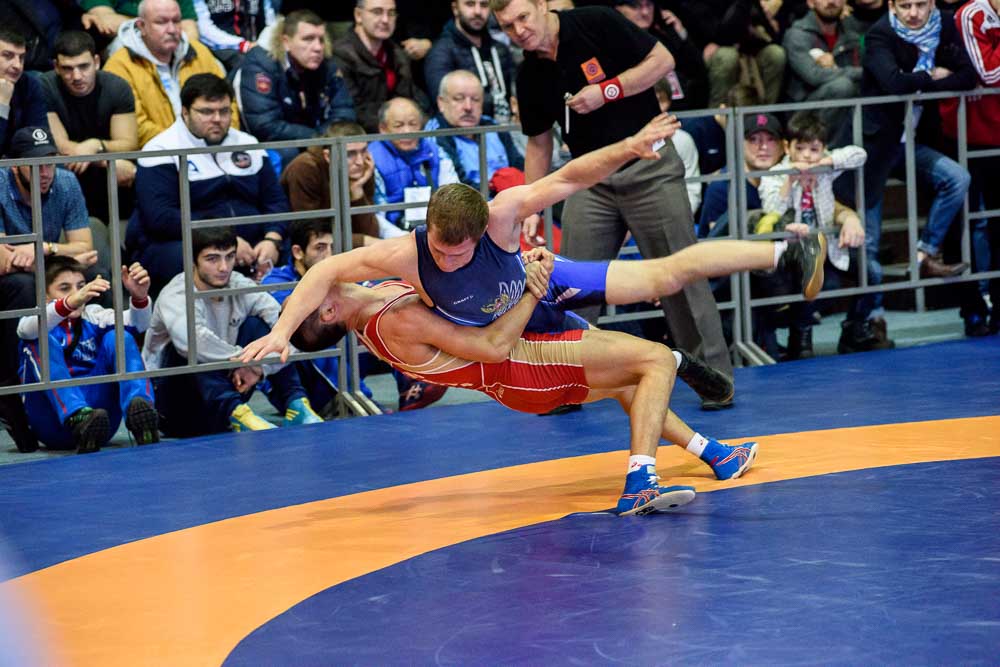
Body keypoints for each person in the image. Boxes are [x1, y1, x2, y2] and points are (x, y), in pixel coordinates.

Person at [239, 115, 829, 412]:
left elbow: (569, 177)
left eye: (458, 251)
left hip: (542, 283)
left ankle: (785, 251)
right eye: (439, 249)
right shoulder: (405, 254)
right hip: (514, 325)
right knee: (604, 375)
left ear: (482, 230)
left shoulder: (502, 214)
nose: (446, 258)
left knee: (663, 274)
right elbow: (323, 270)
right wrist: (281, 332)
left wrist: (627, 147)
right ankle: (681, 376)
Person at [249, 241, 819, 515]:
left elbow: (326, 269)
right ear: (329, 312)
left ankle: (714, 454)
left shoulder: (372, 298)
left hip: (522, 362)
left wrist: (280, 331)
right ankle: (639, 484)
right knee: (651, 362)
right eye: (310, 297)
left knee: (633, 382)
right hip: (520, 364)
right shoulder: (392, 320)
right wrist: (529, 288)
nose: (312, 282)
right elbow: (491, 346)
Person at [491, 0, 734, 409]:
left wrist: (607, 91)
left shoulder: (595, 21)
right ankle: (562, 382)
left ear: (542, 5)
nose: (519, 31)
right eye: (508, 26)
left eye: (523, 18)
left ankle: (714, 377)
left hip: (649, 167)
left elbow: (663, 60)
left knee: (679, 273)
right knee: (566, 282)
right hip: (589, 179)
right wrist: (529, 204)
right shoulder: (529, 73)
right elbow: (538, 142)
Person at [844, 0, 976, 352]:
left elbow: (967, 76)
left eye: (920, 4)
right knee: (869, 241)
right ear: (892, 5)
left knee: (957, 178)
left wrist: (919, 81)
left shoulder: (944, 23)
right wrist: (933, 76)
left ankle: (923, 255)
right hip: (874, 146)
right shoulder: (880, 34)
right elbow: (893, 83)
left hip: (914, 141)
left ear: (932, 3)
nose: (914, 13)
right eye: (905, 5)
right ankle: (866, 321)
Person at [142, 226, 323, 436]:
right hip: (175, 406)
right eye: (212, 259)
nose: (223, 267)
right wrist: (246, 361)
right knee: (192, 346)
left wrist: (259, 368)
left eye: (229, 257)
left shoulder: (239, 284)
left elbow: (289, 329)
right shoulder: (176, 294)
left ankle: (296, 404)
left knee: (266, 327)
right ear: (192, 261)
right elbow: (194, 344)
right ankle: (236, 413)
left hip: (229, 388)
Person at [261, 219, 448, 413]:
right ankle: (360, 400)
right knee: (321, 331)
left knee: (373, 312)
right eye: (320, 248)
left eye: (332, 247)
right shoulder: (277, 281)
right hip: (306, 373)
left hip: (351, 352)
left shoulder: (334, 279)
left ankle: (412, 380)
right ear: (298, 252)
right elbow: (305, 327)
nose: (328, 255)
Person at [127, 74, 288, 297]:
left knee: (307, 249)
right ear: (185, 112)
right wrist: (226, 242)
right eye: (206, 112)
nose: (217, 119)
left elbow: (275, 201)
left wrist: (273, 239)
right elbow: (161, 217)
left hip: (254, 244)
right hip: (186, 243)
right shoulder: (161, 150)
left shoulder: (248, 143)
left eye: (224, 111)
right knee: (190, 260)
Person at [17, 257, 158, 453]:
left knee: (119, 336)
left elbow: (138, 325)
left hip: (101, 421)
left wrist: (139, 297)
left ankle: (141, 412)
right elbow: (26, 330)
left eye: (81, 286)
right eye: (65, 288)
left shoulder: (94, 314)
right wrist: (69, 303)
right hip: (53, 424)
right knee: (39, 340)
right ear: (44, 296)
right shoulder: (33, 319)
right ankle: (76, 414)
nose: (78, 294)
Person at [759, 111, 867, 359]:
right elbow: (772, 211)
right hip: (792, 250)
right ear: (788, 147)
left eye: (814, 149)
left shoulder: (824, 167)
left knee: (870, 271)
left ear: (823, 149)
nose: (807, 155)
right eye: (800, 148)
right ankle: (801, 337)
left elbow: (859, 154)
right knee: (820, 280)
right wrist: (790, 180)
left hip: (828, 244)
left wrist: (826, 162)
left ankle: (854, 329)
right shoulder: (776, 173)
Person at [103, 0, 234, 149]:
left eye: (176, 21)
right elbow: (136, 127)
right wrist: (186, 147)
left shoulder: (200, 53)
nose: (172, 29)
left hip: (213, 147)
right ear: (141, 26)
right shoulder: (119, 65)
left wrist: (219, 139)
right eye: (161, 22)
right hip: (157, 154)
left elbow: (229, 104)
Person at [942, 0, 1000, 335]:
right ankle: (972, 307)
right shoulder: (971, 14)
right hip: (967, 134)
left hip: (997, 133)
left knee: (998, 223)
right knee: (964, 224)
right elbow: (988, 73)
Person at [41, 31, 139, 225]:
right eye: (67, 68)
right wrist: (103, 160)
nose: (77, 76)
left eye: (83, 66)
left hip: (107, 179)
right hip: (68, 171)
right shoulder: (45, 86)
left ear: (96, 62)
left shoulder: (117, 87)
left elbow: (129, 144)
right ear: (56, 67)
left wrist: (96, 145)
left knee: (134, 172)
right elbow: (61, 146)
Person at [238, 9, 357, 168]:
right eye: (308, 39)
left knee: (352, 144)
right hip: (267, 144)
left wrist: (323, 137)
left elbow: (344, 111)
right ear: (286, 42)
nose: (318, 47)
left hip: (313, 136)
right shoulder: (261, 64)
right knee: (290, 153)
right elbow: (264, 125)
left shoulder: (325, 63)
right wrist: (318, 138)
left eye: (321, 39)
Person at [331, 0, 429, 134]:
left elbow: (408, 99)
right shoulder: (341, 54)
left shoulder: (397, 54)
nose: (385, 20)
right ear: (358, 15)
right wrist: (393, 127)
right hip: (362, 135)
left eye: (391, 13)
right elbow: (353, 110)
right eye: (377, 12)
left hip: (399, 131)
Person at [281, 121, 382, 249]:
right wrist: (361, 241)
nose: (360, 161)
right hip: (296, 245)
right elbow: (311, 234)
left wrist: (357, 192)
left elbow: (371, 233)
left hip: (343, 242)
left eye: (363, 151)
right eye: (350, 154)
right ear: (328, 156)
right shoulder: (305, 168)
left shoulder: (362, 169)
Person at [424, 70, 524, 193]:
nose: (468, 107)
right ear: (441, 102)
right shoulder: (435, 133)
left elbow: (520, 165)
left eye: (475, 99)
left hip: (511, 198)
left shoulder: (492, 126)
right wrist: (498, 189)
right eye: (459, 98)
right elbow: (455, 189)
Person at [369, 97, 459, 233]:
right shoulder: (371, 158)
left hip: (435, 230)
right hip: (394, 235)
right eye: (399, 125)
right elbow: (376, 217)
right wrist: (405, 238)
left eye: (413, 124)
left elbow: (453, 196)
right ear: (383, 128)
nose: (407, 131)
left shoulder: (435, 151)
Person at [783, 0, 864, 142]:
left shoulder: (851, 33)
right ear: (810, 2)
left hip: (845, 109)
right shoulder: (797, 34)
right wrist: (856, 73)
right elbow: (814, 76)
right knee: (842, 86)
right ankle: (823, 147)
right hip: (802, 111)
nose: (831, 1)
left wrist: (839, 70)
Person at [425, 0, 516, 122]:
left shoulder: (501, 49)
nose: (478, 12)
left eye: (484, 5)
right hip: (465, 130)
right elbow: (445, 103)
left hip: (509, 128)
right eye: (470, 4)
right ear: (455, 8)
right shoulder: (441, 52)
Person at [615, 0, 709, 113]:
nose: (645, 12)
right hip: (644, 116)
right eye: (635, 6)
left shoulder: (663, 36)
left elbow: (698, 72)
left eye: (649, 5)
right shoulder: (615, 42)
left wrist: (680, 33)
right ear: (618, 8)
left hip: (683, 111)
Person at [0, 27, 48, 158]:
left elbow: (39, 140)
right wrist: (2, 104)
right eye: (8, 56)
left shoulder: (29, 84)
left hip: (21, 164)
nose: (18, 65)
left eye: (21, 58)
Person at [191, 0, 275, 68]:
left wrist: (262, 43)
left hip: (256, 44)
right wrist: (241, 44)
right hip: (221, 47)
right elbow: (203, 28)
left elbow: (271, 22)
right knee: (246, 64)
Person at [80, 0, 200, 46]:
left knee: (198, 53)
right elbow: (107, 23)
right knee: (121, 43)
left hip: (171, 48)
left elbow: (190, 31)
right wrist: (155, 27)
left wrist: (156, 27)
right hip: (125, 49)